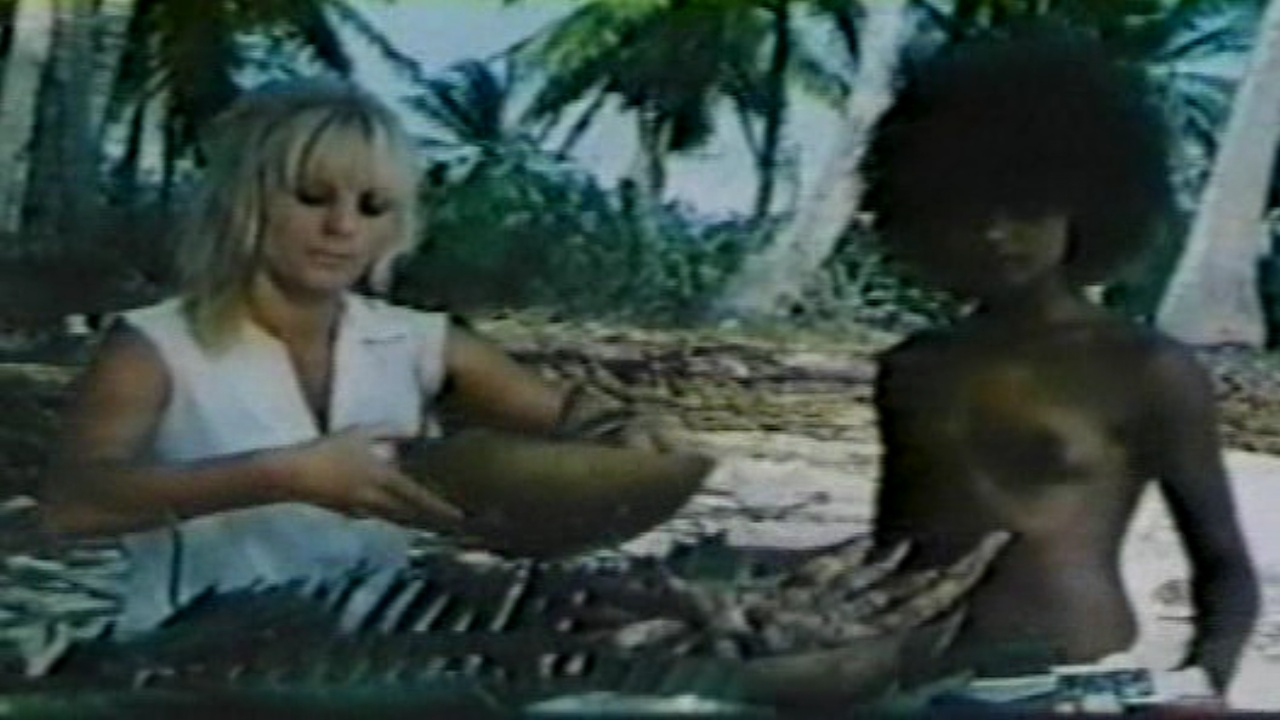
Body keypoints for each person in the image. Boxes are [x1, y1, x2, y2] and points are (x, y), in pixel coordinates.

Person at [35, 79, 646, 635]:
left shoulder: (417, 341)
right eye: (312, 197)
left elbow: (577, 419)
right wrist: (282, 476)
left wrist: (628, 434)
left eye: (372, 207)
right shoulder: (156, 344)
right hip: (188, 659)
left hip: (370, 660)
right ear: (244, 201)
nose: (342, 226)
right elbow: (75, 505)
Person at [859, 26, 1260, 694]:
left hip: (1070, 681)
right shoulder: (914, 367)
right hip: (906, 680)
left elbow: (1224, 567)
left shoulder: (1144, 368)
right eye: (970, 211)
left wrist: (1204, 686)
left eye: (1025, 207)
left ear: (1086, 204)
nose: (997, 234)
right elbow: (889, 552)